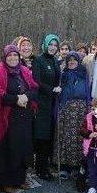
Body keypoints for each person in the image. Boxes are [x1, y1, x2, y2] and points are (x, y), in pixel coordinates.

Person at [0, 45, 39, 193]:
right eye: (9, 56)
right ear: (4, 57)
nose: (13, 58)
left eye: (15, 56)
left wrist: (25, 96)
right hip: (7, 117)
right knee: (7, 149)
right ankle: (6, 182)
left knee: (22, 148)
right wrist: (16, 99)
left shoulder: (23, 70)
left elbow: (34, 88)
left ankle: (20, 179)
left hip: (24, 116)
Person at [56, 51, 90, 178]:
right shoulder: (62, 74)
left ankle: (76, 166)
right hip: (65, 108)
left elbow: (87, 90)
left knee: (78, 136)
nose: (71, 62)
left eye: (74, 60)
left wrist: (88, 106)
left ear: (78, 61)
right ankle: (64, 167)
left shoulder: (83, 74)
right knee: (64, 136)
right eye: (69, 60)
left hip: (80, 109)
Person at [32, 34, 61, 180]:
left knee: (49, 136)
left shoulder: (55, 61)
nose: (53, 48)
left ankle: (44, 166)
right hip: (42, 103)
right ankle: (41, 168)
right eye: (50, 45)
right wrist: (51, 89)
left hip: (53, 103)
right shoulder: (38, 60)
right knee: (42, 136)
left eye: (55, 45)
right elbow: (36, 82)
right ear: (45, 45)